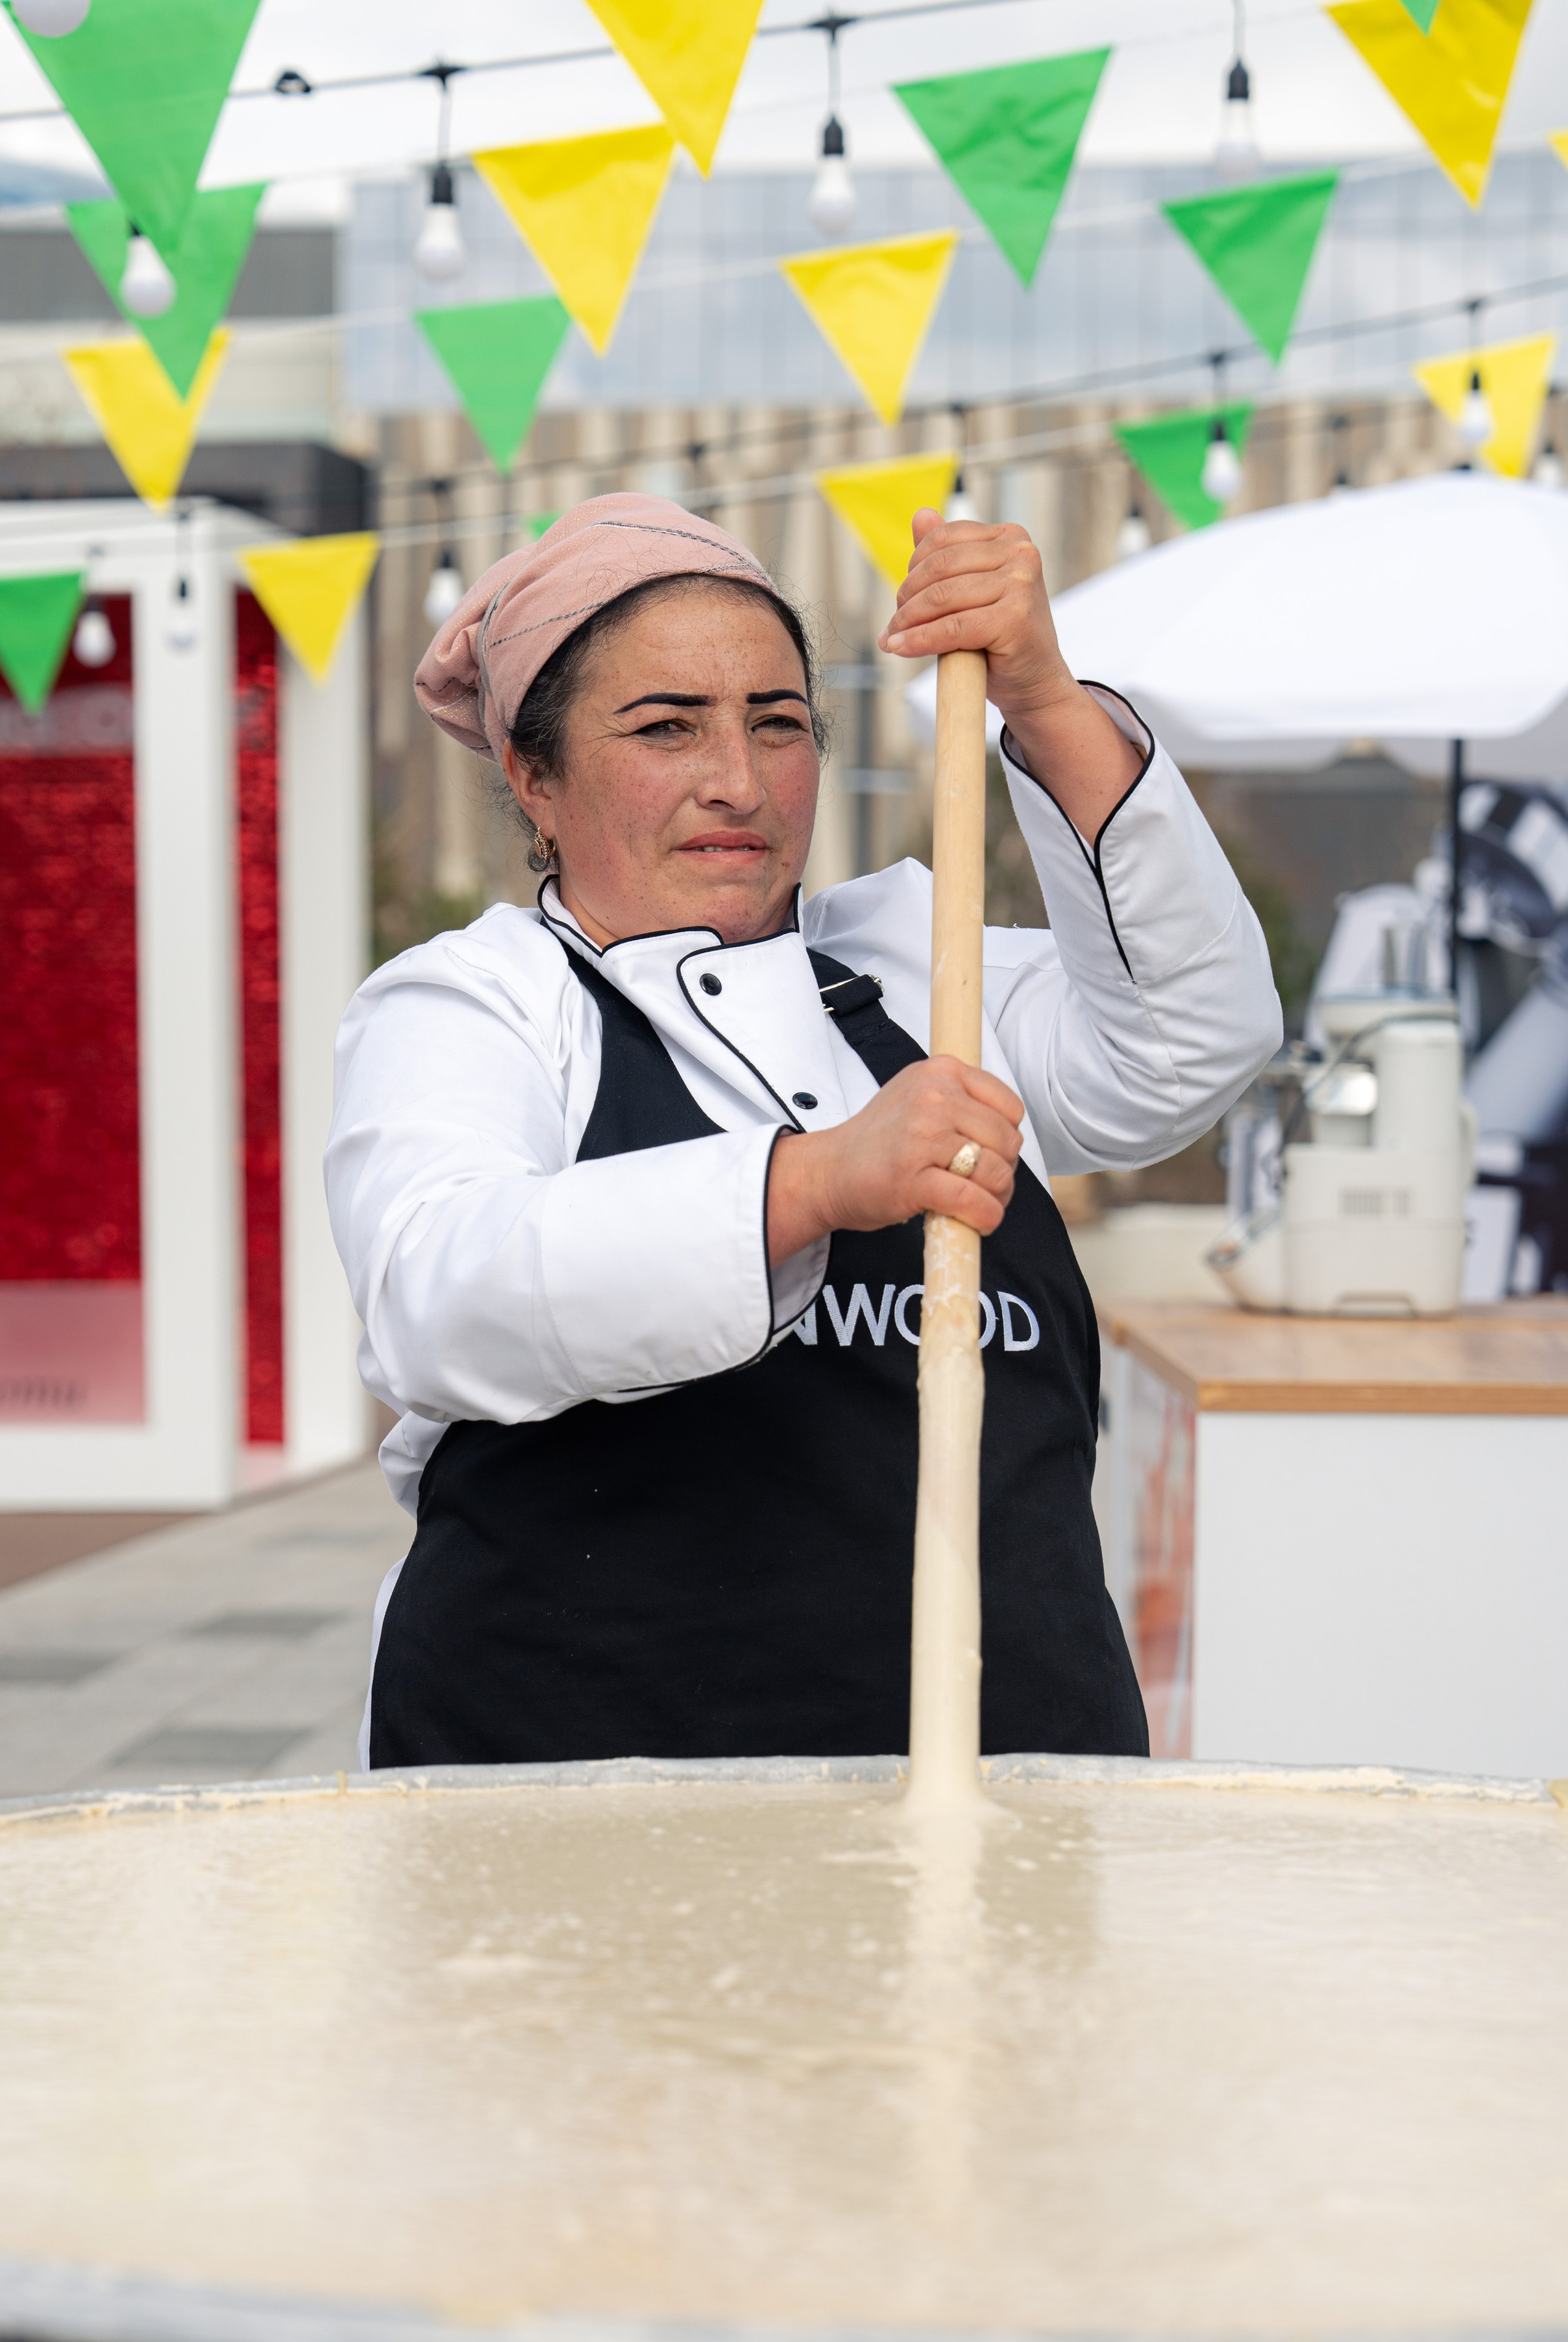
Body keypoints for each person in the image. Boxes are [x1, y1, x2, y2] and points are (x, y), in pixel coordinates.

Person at [327, 493, 1281, 1770]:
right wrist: (815, 1183)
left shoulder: (920, 972)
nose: (737, 780)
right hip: (578, 1792)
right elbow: (439, 1294)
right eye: (665, 727)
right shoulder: (475, 1001)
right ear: (532, 776)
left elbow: (1191, 1040)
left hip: (1001, 1779)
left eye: (777, 723)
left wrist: (1044, 698)